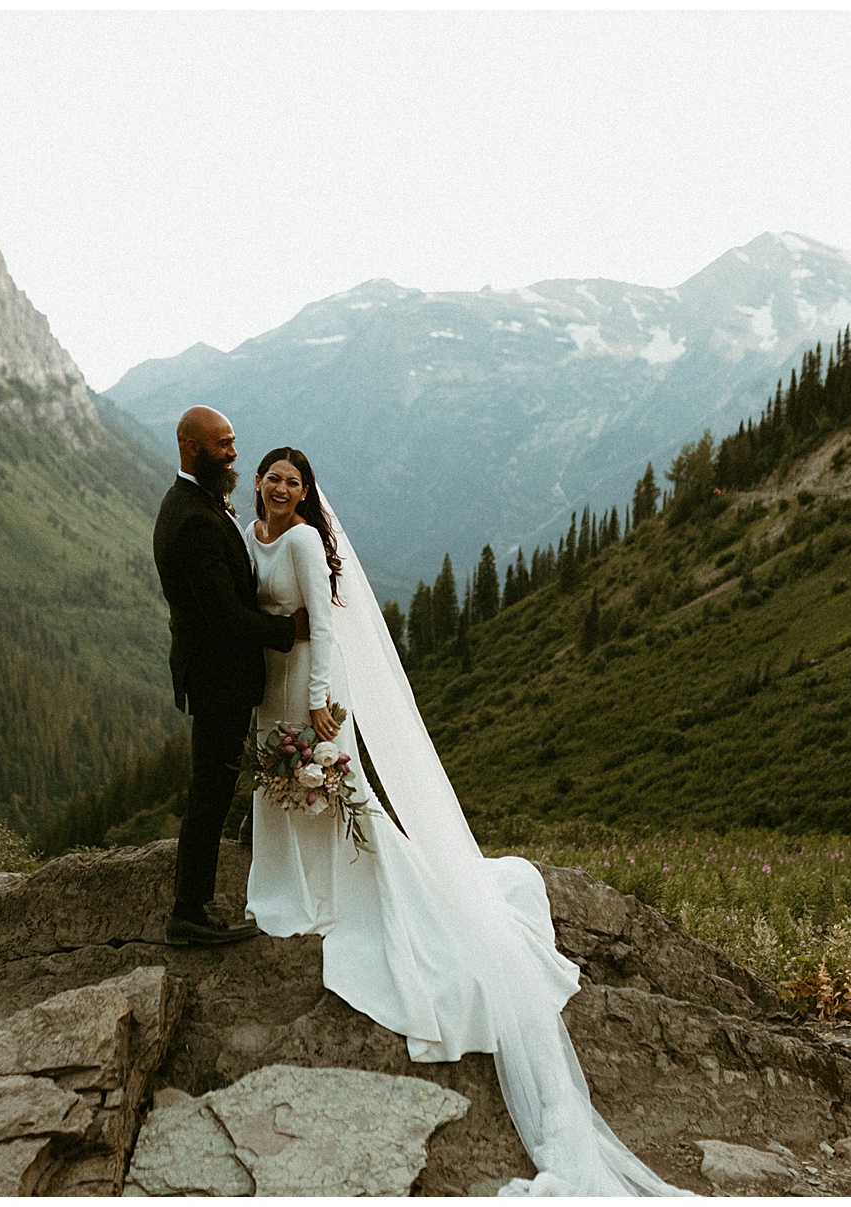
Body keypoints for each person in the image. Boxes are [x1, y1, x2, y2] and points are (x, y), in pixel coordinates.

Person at [240, 445, 690, 1197]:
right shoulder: (249, 533)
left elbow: (322, 620)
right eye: (273, 477)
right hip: (269, 685)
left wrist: (322, 703)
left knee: (327, 788)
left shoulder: (307, 542)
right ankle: (283, 880)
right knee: (282, 791)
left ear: (306, 492)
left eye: (295, 480)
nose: (282, 488)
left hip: (311, 685)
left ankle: (329, 888)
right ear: (259, 482)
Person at [151, 406, 308, 946]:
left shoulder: (196, 502)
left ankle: (248, 834)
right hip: (216, 676)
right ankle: (188, 912)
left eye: (234, 441)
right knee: (210, 790)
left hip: (217, 672)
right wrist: (289, 630)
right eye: (224, 444)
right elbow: (221, 615)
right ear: (194, 448)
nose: (235, 452)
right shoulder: (193, 519)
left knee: (220, 778)